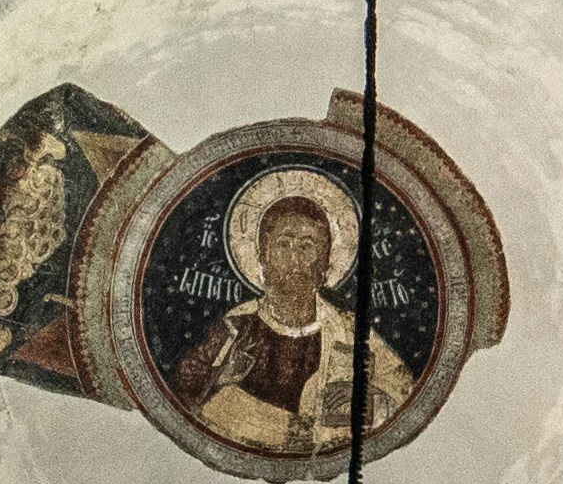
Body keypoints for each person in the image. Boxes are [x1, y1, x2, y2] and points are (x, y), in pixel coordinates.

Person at [174, 173, 409, 460]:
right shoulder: (237, 327)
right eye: (283, 244)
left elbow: (402, 393)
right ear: (263, 255)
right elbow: (186, 391)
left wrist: (366, 400)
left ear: (325, 261)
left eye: (307, 246)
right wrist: (221, 377)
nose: (294, 259)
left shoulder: (349, 331)